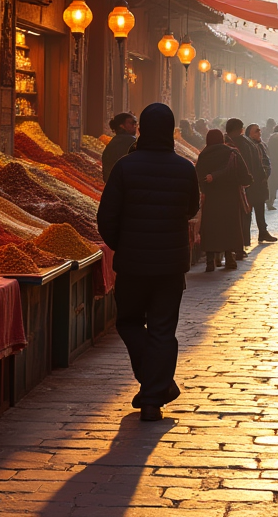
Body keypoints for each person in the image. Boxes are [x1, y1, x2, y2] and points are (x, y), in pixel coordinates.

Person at [96, 103, 200, 422]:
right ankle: (156, 391)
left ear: (141, 130)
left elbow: (106, 217)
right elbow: (191, 209)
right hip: (170, 265)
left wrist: (123, 246)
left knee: (128, 322)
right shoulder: (184, 168)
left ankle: (155, 388)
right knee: (162, 329)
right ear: (170, 132)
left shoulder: (126, 167)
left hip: (132, 265)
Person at [195, 129, 251, 271]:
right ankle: (230, 257)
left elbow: (197, 176)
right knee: (229, 227)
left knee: (211, 228)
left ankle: (210, 261)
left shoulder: (203, 155)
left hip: (211, 198)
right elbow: (245, 177)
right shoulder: (232, 153)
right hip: (230, 198)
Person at [102, 112, 137, 180]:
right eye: (131, 123)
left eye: (135, 123)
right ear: (122, 126)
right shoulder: (130, 142)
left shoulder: (114, 142)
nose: (134, 126)